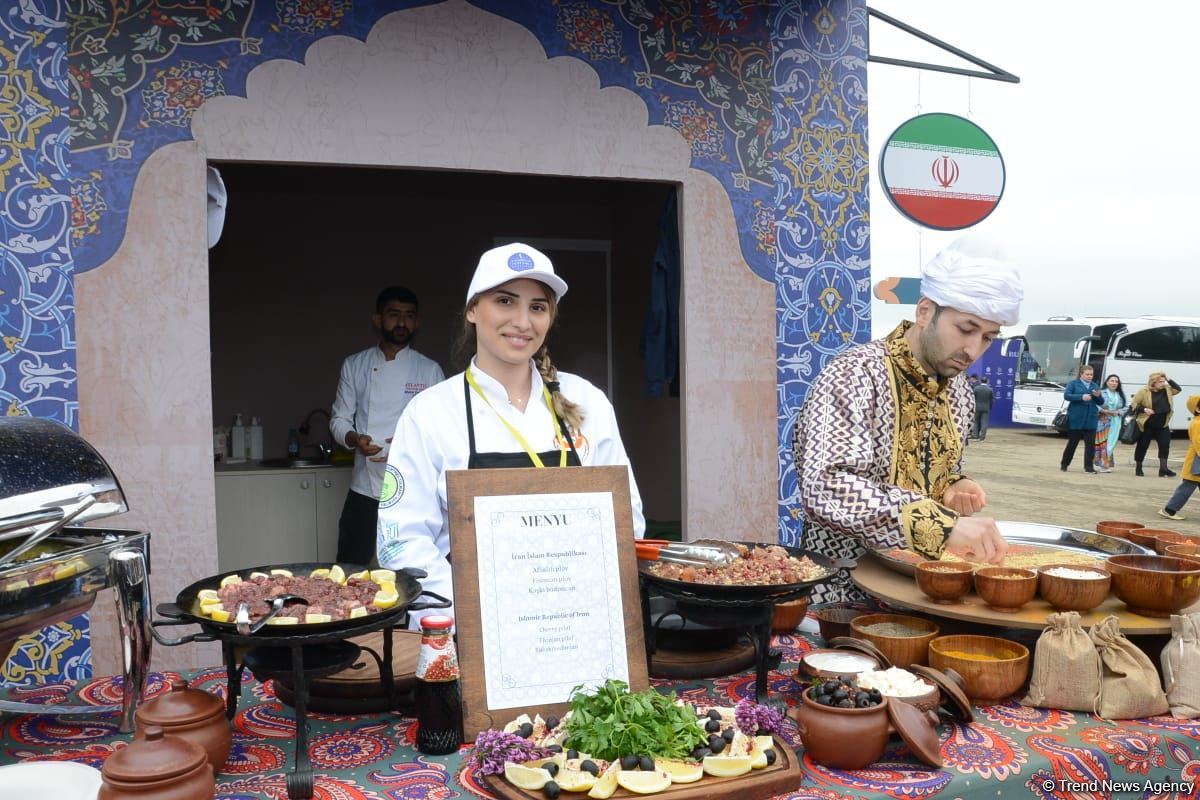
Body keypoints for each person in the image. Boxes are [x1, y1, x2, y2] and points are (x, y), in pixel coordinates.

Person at [375, 243, 646, 624]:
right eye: (505, 301)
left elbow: (626, 520)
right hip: (467, 628)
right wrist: (475, 614)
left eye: (537, 306)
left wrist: (576, 601)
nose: (523, 320)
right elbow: (400, 542)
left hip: (575, 622)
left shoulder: (587, 402)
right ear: (472, 310)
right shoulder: (430, 413)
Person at [793, 236, 1022, 604]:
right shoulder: (855, 375)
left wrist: (953, 484)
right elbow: (827, 485)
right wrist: (941, 527)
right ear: (925, 311)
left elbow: (935, 470)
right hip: (839, 593)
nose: (973, 350)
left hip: (923, 589)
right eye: (965, 329)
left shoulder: (960, 391)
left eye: (988, 337)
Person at [330, 287, 445, 564]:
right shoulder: (355, 365)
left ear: (417, 322)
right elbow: (339, 419)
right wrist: (355, 438)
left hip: (412, 487)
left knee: (409, 565)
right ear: (378, 320)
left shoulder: (430, 370)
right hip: (364, 489)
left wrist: (407, 445)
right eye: (394, 315)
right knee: (350, 566)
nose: (402, 323)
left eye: (409, 316)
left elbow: (442, 429)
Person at [1130, 372, 1183, 477]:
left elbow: (1178, 389)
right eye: (1160, 382)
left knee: (1164, 446)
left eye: (1164, 381)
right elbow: (1133, 405)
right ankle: (1139, 467)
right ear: (1153, 382)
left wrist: (1168, 379)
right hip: (1147, 424)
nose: (1163, 384)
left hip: (1163, 425)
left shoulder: (1167, 390)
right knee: (1142, 446)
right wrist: (1145, 409)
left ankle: (1163, 469)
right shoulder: (1144, 391)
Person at [1158, 395, 1200, 521]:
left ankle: (1169, 510)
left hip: (1196, 461)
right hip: (1196, 462)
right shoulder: (1197, 423)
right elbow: (1198, 442)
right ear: (1197, 409)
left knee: (1187, 487)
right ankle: (1169, 510)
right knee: (1186, 487)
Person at [1060, 365, 1102, 474]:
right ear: (1081, 374)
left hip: (1091, 418)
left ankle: (1089, 467)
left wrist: (1097, 396)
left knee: (1090, 445)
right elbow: (1067, 396)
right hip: (1076, 418)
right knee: (1073, 443)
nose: (1089, 376)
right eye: (1087, 374)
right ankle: (1065, 464)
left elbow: (1100, 402)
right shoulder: (1073, 384)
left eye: (1091, 374)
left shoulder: (1094, 385)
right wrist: (1081, 397)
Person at [1094, 374, 1128, 473]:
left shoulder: (1120, 394)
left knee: (1111, 443)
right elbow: (1095, 404)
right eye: (1112, 381)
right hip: (1102, 420)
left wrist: (1118, 412)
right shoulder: (1101, 392)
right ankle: (1102, 464)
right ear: (1107, 382)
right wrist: (1104, 411)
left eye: (1116, 381)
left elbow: (1126, 407)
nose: (1114, 383)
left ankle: (1106, 464)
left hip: (1116, 421)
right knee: (1103, 443)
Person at [972, 376, 994, 440]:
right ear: (987, 381)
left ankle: (975, 436)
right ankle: (982, 437)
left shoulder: (976, 388)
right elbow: (991, 400)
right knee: (984, 423)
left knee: (976, 422)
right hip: (986, 408)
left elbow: (973, 398)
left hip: (977, 408)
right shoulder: (990, 389)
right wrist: (990, 407)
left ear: (980, 381)